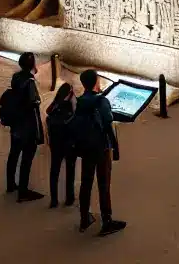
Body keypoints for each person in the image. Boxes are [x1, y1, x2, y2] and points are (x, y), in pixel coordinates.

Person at [73, 69, 125, 236]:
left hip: (86, 147)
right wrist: (115, 148)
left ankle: (84, 218)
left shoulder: (79, 101)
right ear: (96, 82)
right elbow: (108, 124)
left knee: (86, 182)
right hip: (101, 147)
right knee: (104, 184)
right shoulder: (101, 101)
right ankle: (107, 221)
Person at [3, 51, 44, 201]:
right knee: (27, 158)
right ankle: (23, 191)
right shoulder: (30, 82)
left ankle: (10, 184)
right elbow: (33, 103)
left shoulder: (16, 77)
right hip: (27, 126)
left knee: (13, 154)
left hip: (16, 124)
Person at [45, 82, 78, 209]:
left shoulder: (55, 104)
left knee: (54, 171)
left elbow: (48, 113)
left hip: (55, 143)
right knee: (70, 171)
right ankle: (69, 198)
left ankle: (54, 199)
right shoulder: (71, 104)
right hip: (69, 143)